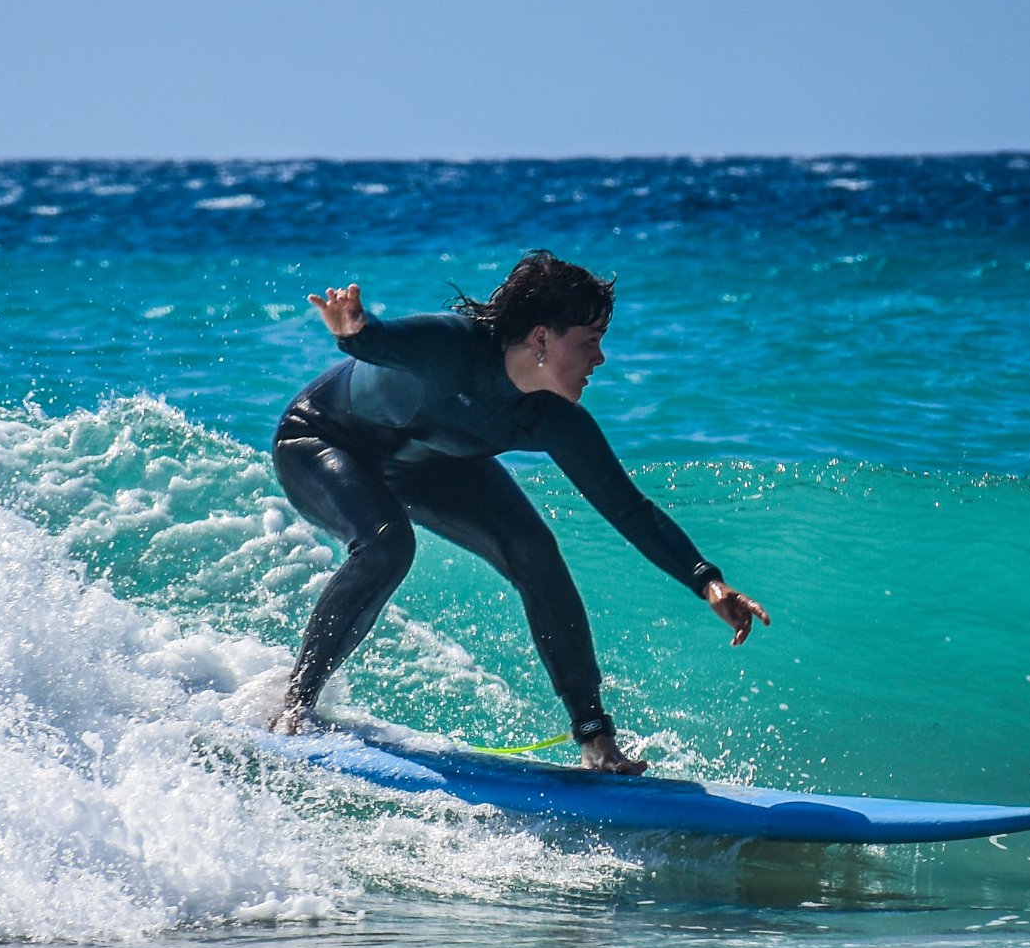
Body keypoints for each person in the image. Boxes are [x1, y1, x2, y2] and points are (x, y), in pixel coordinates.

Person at [269, 250, 768, 774]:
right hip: (321, 440)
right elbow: (379, 342)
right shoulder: (453, 345)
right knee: (388, 544)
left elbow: (630, 509)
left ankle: (595, 738)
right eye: (590, 342)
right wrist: (352, 330)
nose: (601, 359)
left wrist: (706, 581)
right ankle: (296, 706)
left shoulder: (553, 419)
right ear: (541, 338)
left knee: (535, 552)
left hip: (424, 463)